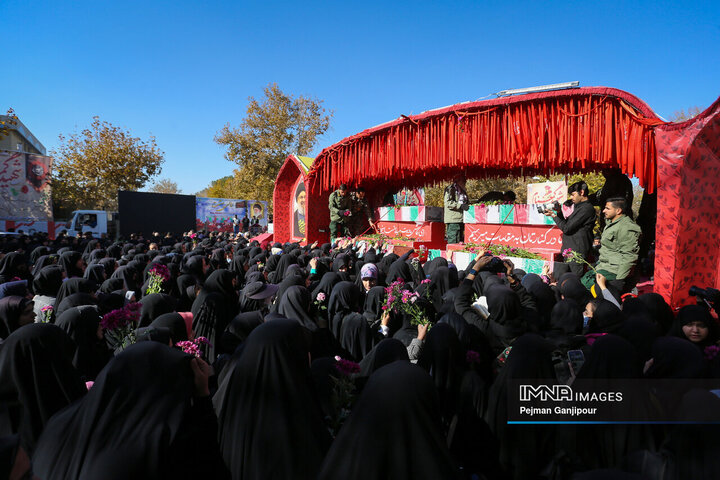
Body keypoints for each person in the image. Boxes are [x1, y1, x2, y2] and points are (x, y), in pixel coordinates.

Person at [581, 197, 641, 291]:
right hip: (603, 266)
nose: (604, 211)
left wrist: (619, 280)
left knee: (584, 288)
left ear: (618, 211)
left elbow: (629, 256)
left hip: (614, 270)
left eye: (607, 208)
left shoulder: (627, 227)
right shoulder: (610, 223)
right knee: (578, 284)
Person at [544, 181, 597, 277]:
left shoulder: (586, 209)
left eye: (573, 195)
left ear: (582, 192)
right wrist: (559, 212)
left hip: (577, 253)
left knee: (574, 282)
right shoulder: (579, 207)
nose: (571, 198)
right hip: (570, 252)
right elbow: (567, 225)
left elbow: (567, 228)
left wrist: (553, 215)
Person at [444, 174, 469, 244]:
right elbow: (448, 203)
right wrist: (460, 206)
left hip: (461, 219)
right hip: (453, 220)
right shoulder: (451, 189)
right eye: (463, 181)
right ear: (458, 181)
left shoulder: (462, 191)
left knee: (460, 241)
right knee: (454, 241)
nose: (465, 182)